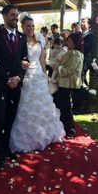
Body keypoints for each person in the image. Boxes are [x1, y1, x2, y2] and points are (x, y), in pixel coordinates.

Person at [10, 14, 65, 152]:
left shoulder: (39, 39)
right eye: (28, 26)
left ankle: (44, 133)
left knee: (42, 105)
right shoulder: (19, 40)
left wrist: (45, 76)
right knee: (23, 105)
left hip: (39, 76)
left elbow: (41, 60)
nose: (31, 28)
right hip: (25, 75)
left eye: (33, 26)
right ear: (22, 26)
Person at [0, 5, 28, 170]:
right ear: (4, 16)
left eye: (16, 15)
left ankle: (6, 147)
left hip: (16, 85)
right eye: (12, 15)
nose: (15, 18)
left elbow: (24, 60)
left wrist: (18, 77)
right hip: (0, 85)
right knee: (0, 118)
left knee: (11, 117)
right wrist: (7, 79)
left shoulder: (21, 37)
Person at [53, 32, 84, 137]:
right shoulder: (71, 52)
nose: (67, 42)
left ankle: (70, 130)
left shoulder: (75, 54)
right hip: (65, 83)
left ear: (75, 43)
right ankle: (65, 127)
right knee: (63, 105)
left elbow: (69, 70)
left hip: (67, 83)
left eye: (70, 41)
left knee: (65, 107)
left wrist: (58, 68)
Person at [80, 17, 95, 86]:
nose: (82, 23)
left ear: (89, 25)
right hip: (78, 59)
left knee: (81, 77)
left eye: (84, 22)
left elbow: (87, 47)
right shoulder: (79, 35)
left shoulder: (90, 36)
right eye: (81, 22)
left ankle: (84, 93)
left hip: (85, 60)